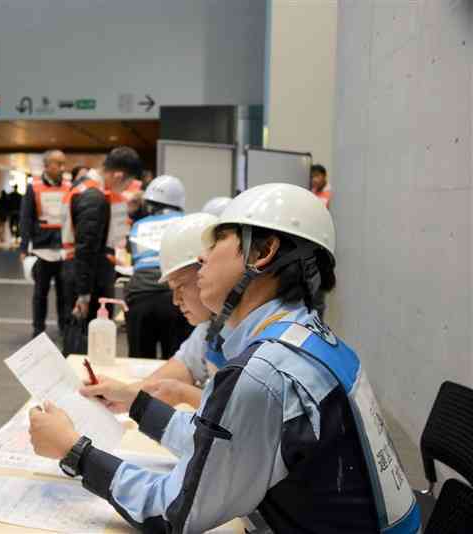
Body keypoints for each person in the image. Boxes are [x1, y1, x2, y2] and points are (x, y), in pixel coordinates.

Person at [28, 183, 420, 533]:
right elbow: (217, 443)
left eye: (216, 244)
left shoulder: (264, 372)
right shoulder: (308, 341)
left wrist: (73, 450)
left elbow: (174, 513)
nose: (202, 258)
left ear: (263, 252)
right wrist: (138, 404)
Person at [94, 212, 221, 412]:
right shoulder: (212, 326)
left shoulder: (252, 335)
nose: (175, 301)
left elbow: (234, 415)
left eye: (181, 286)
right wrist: (126, 393)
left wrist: (181, 393)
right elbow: (185, 365)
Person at [62, 147, 141, 321]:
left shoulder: (83, 186)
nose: (126, 189)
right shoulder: (94, 198)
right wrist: (84, 293)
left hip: (79, 272)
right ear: (118, 175)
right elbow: (86, 247)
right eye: (128, 183)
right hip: (90, 277)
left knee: (79, 335)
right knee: (87, 338)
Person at [125, 175, 189, 359]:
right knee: (177, 360)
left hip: (139, 298)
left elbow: (133, 257)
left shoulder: (138, 226)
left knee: (139, 361)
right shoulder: (185, 222)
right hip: (174, 298)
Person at [19, 150, 70, 337]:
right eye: (58, 164)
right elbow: (26, 217)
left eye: (64, 163)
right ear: (47, 165)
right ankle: (38, 328)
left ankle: (64, 327)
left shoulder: (68, 186)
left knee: (64, 293)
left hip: (63, 248)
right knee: (40, 292)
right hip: (41, 248)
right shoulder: (35, 187)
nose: (62, 168)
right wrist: (24, 246)